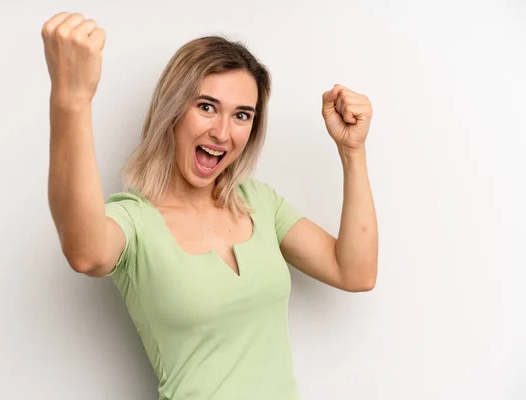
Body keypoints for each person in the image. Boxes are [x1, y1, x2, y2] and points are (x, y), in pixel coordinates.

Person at [42, 11, 378, 400]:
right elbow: (84, 252)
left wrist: (352, 151)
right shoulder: (134, 221)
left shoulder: (258, 203)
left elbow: (355, 273)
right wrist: (71, 101)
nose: (221, 132)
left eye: (241, 115)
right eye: (206, 107)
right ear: (172, 110)